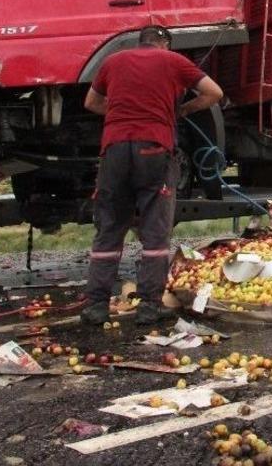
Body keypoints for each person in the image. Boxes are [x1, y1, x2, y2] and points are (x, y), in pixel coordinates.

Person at [81, 26, 223, 325]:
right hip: (154, 150)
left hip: (115, 150)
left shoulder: (113, 61)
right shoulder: (174, 61)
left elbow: (91, 103)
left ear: (141, 42)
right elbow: (214, 93)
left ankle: (95, 306)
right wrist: (182, 110)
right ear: (165, 44)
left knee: (109, 229)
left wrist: (123, 111)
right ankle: (149, 306)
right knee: (155, 230)